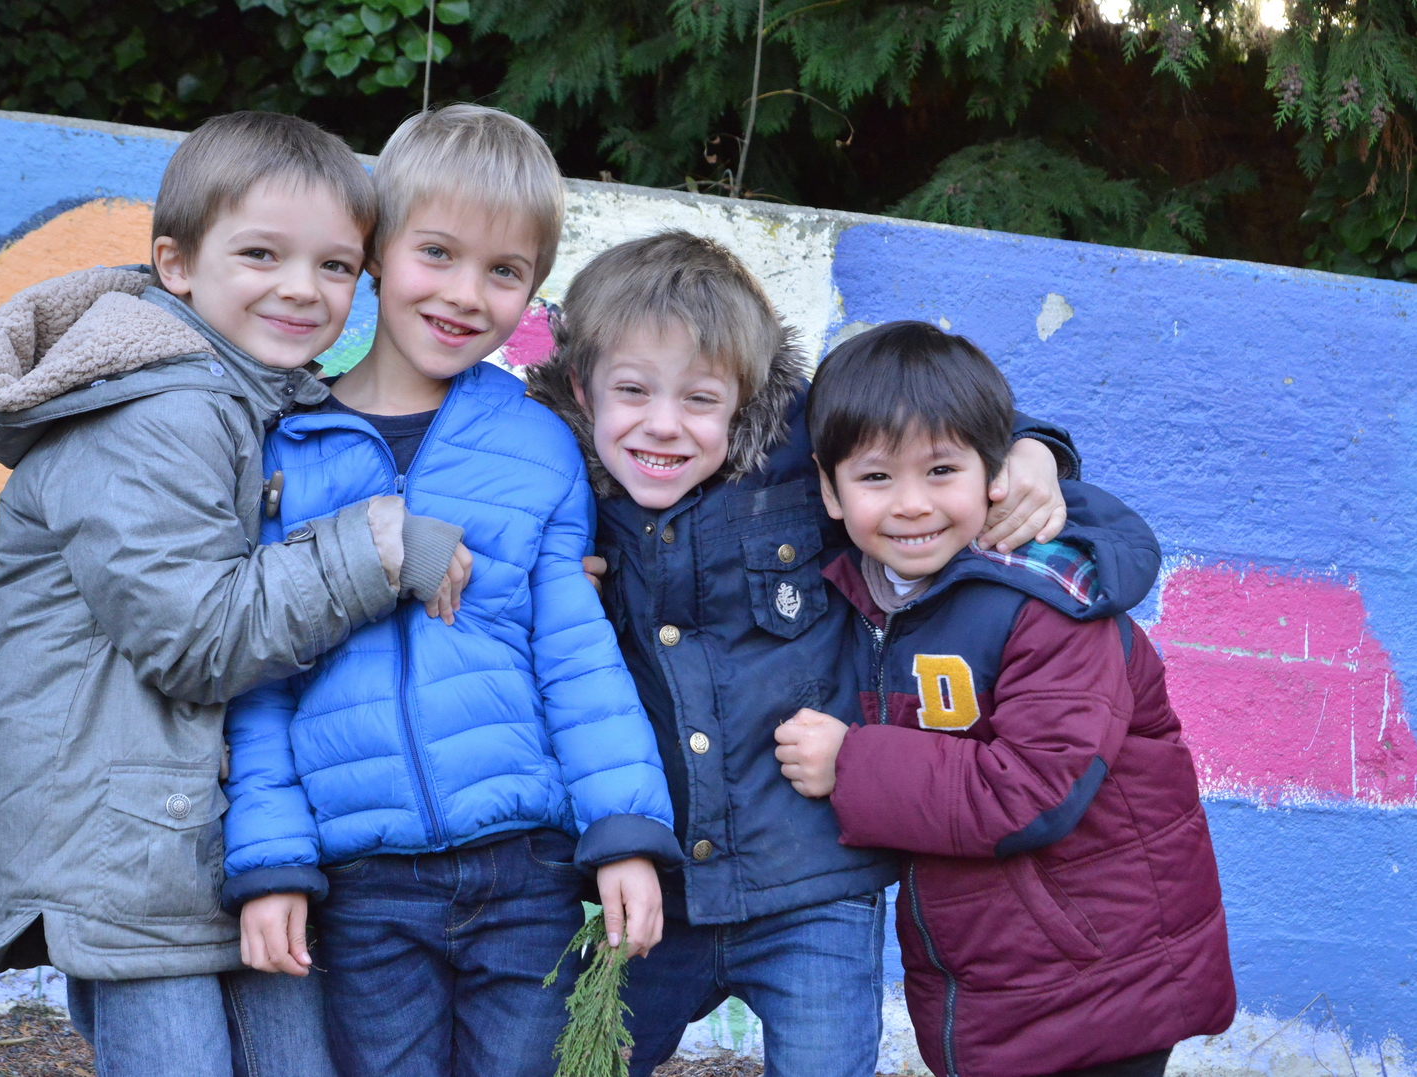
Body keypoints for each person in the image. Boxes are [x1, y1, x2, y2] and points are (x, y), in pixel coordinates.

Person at [525, 231, 1153, 1077]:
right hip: (655, 884)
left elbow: (920, 421)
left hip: (813, 881)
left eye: (700, 397)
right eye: (632, 390)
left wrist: (1031, 449)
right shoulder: (553, 471)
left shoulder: (800, 454)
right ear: (582, 386)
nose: (663, 424)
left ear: (748, 395)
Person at [0, 111, 470, 1077]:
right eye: (262, 253)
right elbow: (195, 635)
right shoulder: (158, 411)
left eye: (334, 265)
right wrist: (375, 547)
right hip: (126, 845)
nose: (301, 288)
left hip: (206, 835)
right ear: (177, 264)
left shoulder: (249, 396)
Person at [221, 104, 681, 1077]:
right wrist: (269, 859)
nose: (466, 294)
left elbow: (575, 654)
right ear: (375, 251)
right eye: (437, 253)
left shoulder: (537, 444)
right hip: (360, 880)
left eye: (504, 271)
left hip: (526, 868)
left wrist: (623, 833)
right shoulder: (285, 448)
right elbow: (259, 677)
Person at [777, 320, 1235, 1077]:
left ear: (994, 473)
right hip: (997, 975)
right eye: (876, 478)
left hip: (1105, 973)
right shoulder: (870, 585)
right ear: (829, 488)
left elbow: (1032, 790)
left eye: (941, 471)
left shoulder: (1048, 601)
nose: (911, 504)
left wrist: (850, 764)